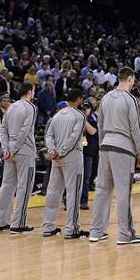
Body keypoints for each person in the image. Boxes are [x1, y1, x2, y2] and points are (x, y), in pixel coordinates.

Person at [90, 67, 140, 245]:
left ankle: (96, 231)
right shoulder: (130, 99)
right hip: (123, 146)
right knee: (123, 192)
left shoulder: (105, 98)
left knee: (102, 191)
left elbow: (99, 125)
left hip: (105, 144)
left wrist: (101, 147)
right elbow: (135, 129)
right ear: (130, 79)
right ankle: (125, 234)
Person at [0, 82, 39, 234]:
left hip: (10, 151)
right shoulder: (30, 107)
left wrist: (6, 149)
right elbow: (25, 131)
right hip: (23, 150)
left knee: (7, 186)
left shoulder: (10, 107)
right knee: (24, 187)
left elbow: (3, 130)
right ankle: (18, 223)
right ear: (30, 92)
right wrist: (12, 149)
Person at [42, 89, 88, 239]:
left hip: (56, 158)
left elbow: (49, 135)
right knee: (73, 192)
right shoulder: (80, 115)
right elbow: (75, 138)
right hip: (71, 156)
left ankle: (48, 226)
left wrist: (53, 150)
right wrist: (60, 151)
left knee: (53, 191)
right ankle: (72, 228)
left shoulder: (57, 115)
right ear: (79, 99)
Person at [79, 100, 98, 210]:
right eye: (83, 108)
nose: (85, 110)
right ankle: (69, 201)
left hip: (88, 153)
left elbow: (92, 131)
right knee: (73, 179)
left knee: (86, 179)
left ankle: (84, 201)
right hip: (76, 152)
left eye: (87, 108)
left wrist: (84, 120)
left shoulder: (92, 119)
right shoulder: (75, 119)